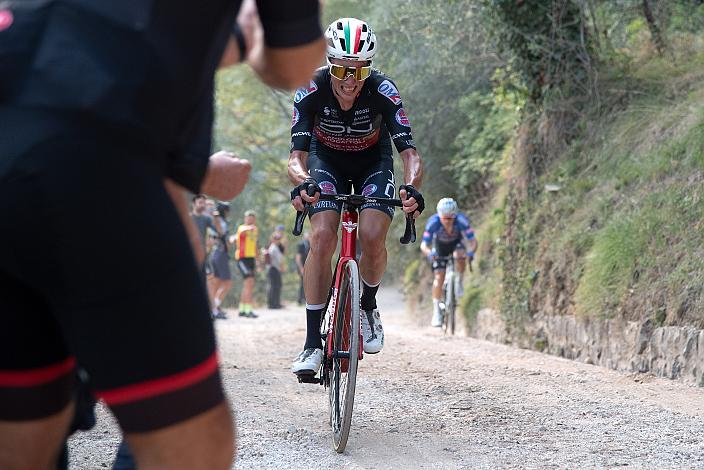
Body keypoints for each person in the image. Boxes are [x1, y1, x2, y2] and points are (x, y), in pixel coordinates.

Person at [0, 0, 324, 468]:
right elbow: (292, 64)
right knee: (193, 453)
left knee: (23, 443)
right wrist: (250, 35)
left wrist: (225, 39)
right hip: (92, 160)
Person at [288, 18, 425, 375]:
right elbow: (295, 159)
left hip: (372, 163)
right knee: (321, 235)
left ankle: (366, 306)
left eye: (360, 71)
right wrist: (303, 183)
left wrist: (412, 187)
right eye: (341, 69)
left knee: (373, 234)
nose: (350, 81)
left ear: (370, 68)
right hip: (326, 161)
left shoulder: (383, 90)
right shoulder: (310, 87)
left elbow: (410, 154)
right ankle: (311, 344)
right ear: (329, 64)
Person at [420, 198, 478, 327]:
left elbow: (473, 241)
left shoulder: (461, 221)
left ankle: (459, 281)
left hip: (456, 244)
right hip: (439, 247)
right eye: (445, 219)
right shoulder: (433, 222)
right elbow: (423, 245)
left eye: (451, 218)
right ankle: (436, 311)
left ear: (455, 215)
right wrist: (430, 253)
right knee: (439, 276)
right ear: (439, 216)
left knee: (460, 255)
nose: (448, 221)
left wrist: (471, 252)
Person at [208, 202, 233, 319]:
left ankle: (213, 308)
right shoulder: (220, 221)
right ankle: (214, 308)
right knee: (227, 283)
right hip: (220, 253)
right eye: (227, 210)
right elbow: (222, 235)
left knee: (216, 283)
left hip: (214, 253)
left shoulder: (218, 221)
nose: (228, 213)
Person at [232, 210, 259, 318]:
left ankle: (242, 309)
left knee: (248, 284)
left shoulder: (255, 229)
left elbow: (255, 245)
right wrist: (249, 227)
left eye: (252, 218)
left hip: (251, 259)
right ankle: (248, 310)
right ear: (245, 219)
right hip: (242, 258)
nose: (250, 220)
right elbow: (242, 231)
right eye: (248, 218)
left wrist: (258, 260)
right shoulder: (241, 228)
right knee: (249, 282)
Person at [265, 231, 286, 309]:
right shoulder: (273, 247)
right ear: (273, 239)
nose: (278, 240)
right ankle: (273, 304)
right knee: (274, 286)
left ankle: (276, 303)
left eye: (279, 238)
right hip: (273, 268)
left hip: (275, 269)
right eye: (276, 238)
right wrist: (281, 266)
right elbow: (274, 259)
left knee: (277, 286)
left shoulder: (276, 247)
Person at [295, 231, 311, 305]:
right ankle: (300, 299)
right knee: (302, 283)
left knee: (307, 282)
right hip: (302, 267)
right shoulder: (301, 244)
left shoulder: (309, 244)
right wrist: (301, 268)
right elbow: (298, 257)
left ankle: (305, 298)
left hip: (307, 267)